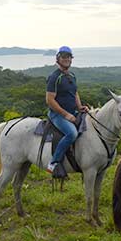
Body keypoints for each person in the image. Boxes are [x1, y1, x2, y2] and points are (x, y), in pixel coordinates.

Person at [45, 45, 89, 175]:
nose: (67, 59)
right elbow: (50, 100)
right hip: (57, 114)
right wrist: (66, 115)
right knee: (72, 134)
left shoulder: (72, 75)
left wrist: (80, 107)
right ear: (58, 59)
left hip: (72, 112)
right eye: (64, 56)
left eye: (69, 57)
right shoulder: (54, 77)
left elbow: (75, 93)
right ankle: (53, 163)